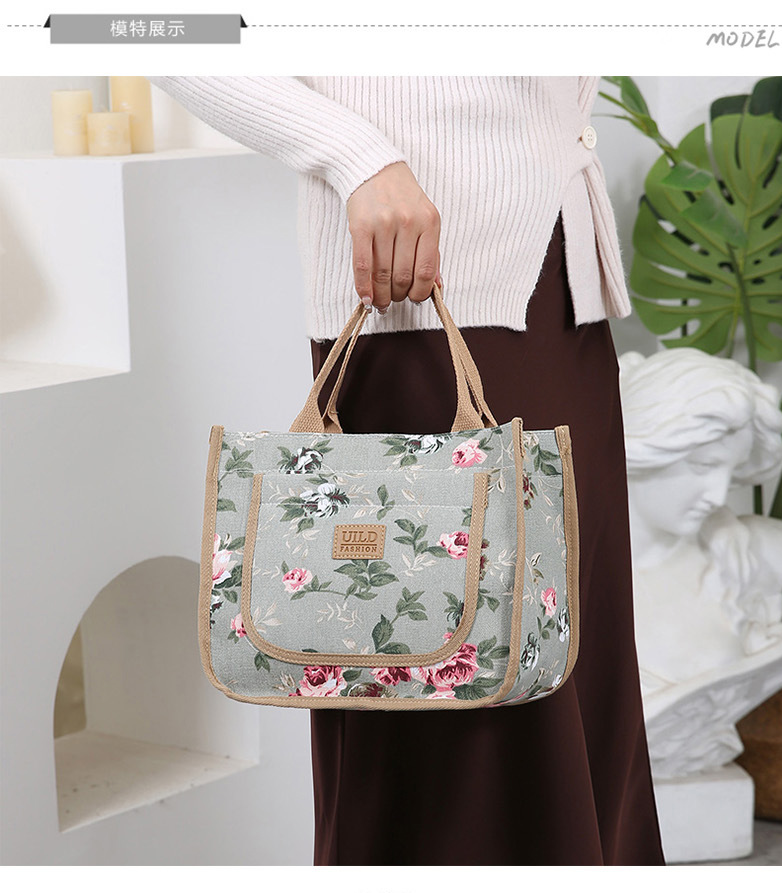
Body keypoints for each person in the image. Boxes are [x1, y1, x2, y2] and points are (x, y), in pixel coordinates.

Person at [149, 76, 666, 866]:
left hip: (562, 275)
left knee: (570, 680)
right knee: (450, 701)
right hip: (417, 284)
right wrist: (356, 156)